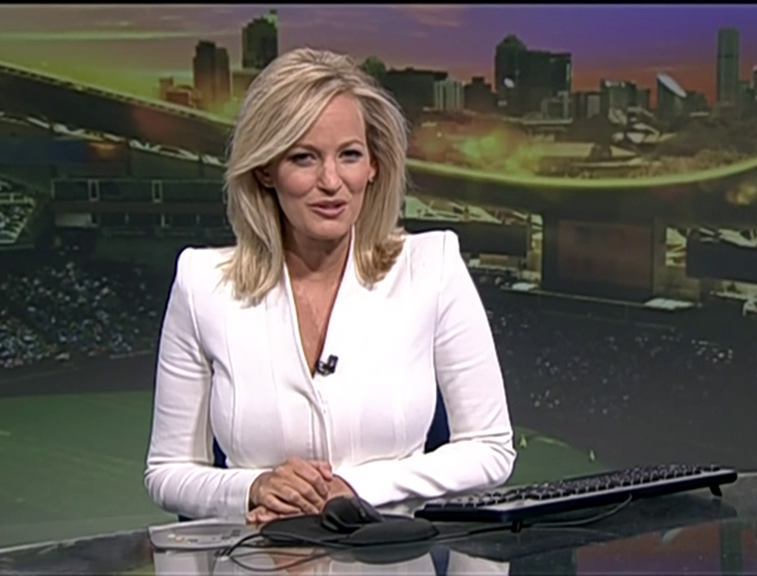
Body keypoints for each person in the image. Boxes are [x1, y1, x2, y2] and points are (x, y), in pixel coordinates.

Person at [143, 48, 516, 524]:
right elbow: (167, 472)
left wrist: (354, 490)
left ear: (374, 165)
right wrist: (254, 487)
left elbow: (490, 449)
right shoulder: (203, 284)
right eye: (304, 158)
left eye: (349, 155)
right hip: (256, 553)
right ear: (265, 169)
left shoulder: (432, 267)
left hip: (392, 554)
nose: (332, 181)